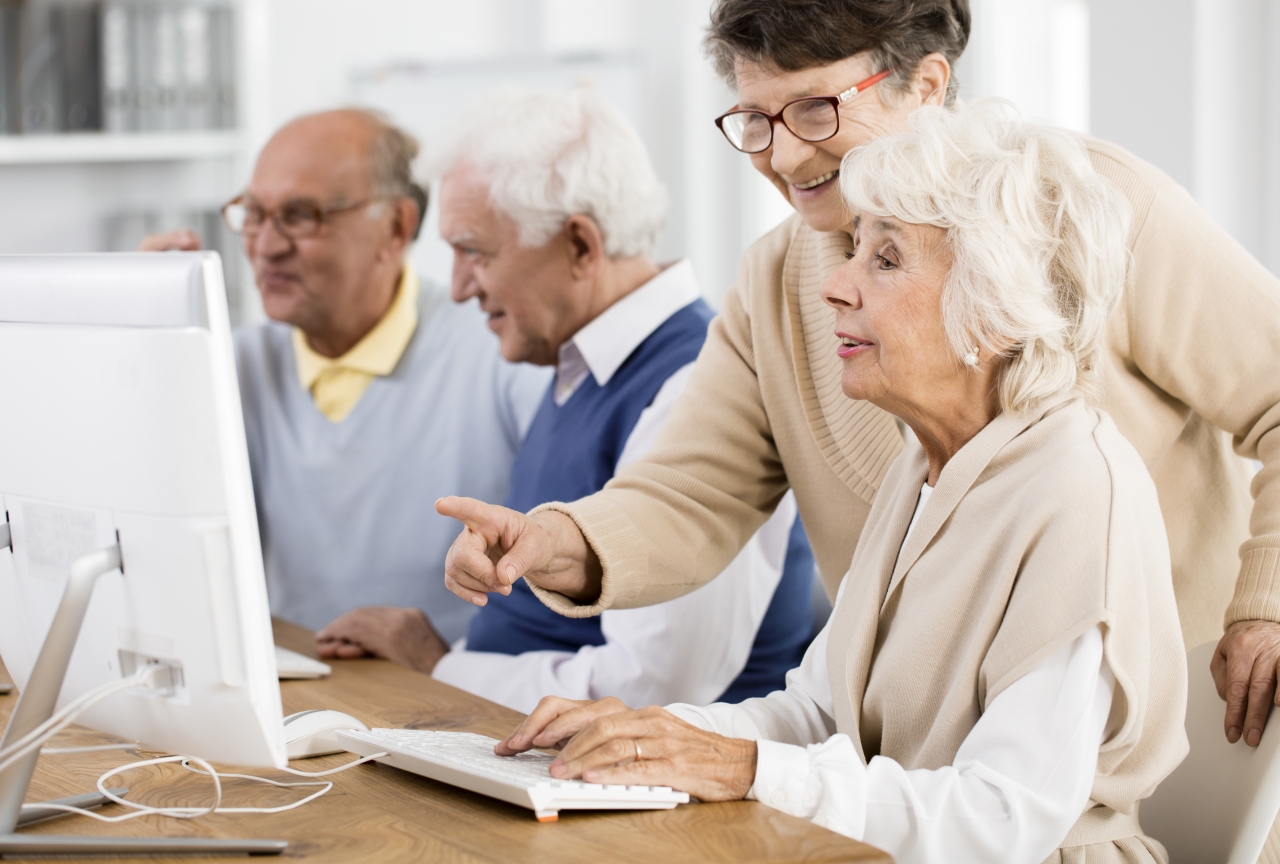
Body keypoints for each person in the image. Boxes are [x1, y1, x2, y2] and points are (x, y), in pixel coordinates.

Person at [438, 0, 1280, 748]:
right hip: (915, 768)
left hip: (1173, 720)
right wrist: (552, 540)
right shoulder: (774, 282)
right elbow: (689, 496)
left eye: (813, 110)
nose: (785, 158)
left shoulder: (1094, 211)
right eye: (755, 121)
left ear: (928, 86)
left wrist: (1267, 604)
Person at [494, 101, 1189, 863]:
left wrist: (746, 769)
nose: (835, 286)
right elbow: (820, 713)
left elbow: (1004, 816)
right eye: (854, 249)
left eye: (885, 261)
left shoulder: (1077, 487)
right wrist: (650, 735)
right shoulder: (926, 467)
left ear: (997, 310)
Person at [315, 89, 814, 711]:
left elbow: (646, 689)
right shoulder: (578, 365)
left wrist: (438, 666)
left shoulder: (694, 384)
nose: (462, 286)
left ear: (580, 245)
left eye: (475, 251)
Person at [141, 108, 548, 642]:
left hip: (454, 698)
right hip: (292, 694)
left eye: (301, 215)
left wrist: (453, 663)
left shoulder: (502, 350)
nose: (266, 246)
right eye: (255, 214)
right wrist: (145, 356)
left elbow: (567, 569)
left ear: (396, 227)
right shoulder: (229, 363)